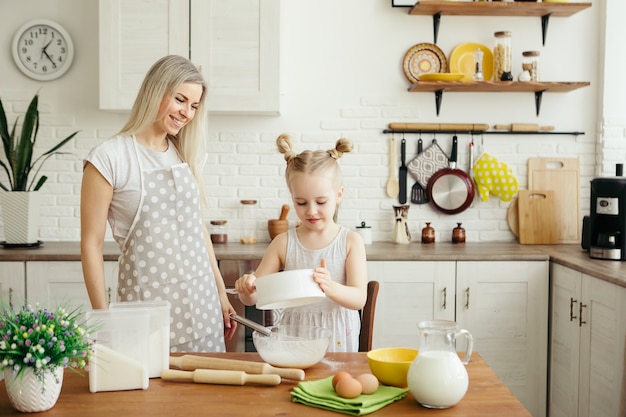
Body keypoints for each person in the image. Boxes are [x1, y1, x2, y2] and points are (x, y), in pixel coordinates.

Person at [80, 55, 237, 352]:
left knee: (207, 396)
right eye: (180, 99)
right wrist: (105, 322)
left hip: (202, 308)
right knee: (150, 397)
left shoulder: (184, 154)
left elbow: (197, 228)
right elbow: (91, 245)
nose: (187, 113)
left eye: (194, 106)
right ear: (155, 90)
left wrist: (220, 292)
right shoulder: (109, 158)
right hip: (145, 313)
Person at [235, 134, 368, 352]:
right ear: (292, 197)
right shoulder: (283, 242)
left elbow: (359, 298)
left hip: (337, 339)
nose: (311, 210)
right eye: (301, 202)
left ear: (339, 195)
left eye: (321, 202)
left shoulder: (350, 241)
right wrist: (247, 289)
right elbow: (256, 295)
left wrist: (330, 287)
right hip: (293, 336)